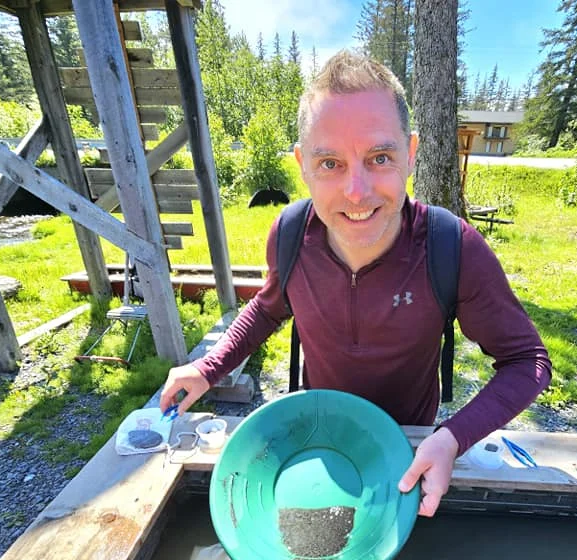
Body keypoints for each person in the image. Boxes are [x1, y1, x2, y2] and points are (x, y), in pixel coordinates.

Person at [160, 50, 551, 517]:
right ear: (302, 163)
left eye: (379, 157)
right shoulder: (288, 234)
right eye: (330, 164)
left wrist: (452, 438)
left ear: (410, 152)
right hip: (318, 434)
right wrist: (208, 368)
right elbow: (269, 307)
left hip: (408, 443)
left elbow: (527, 360)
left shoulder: (451, 246)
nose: (356, 192)